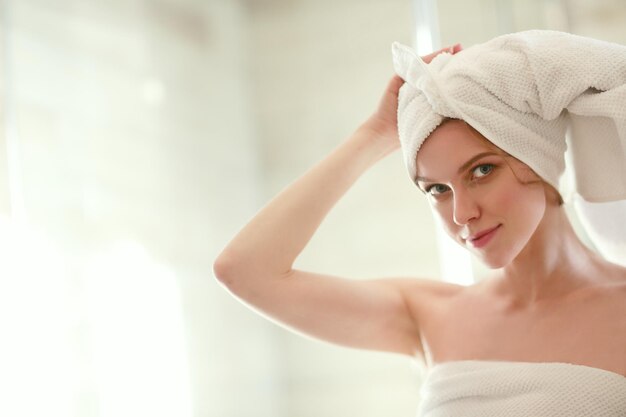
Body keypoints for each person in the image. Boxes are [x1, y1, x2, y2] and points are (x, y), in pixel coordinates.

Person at [213, 30, 626, 416]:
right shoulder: (428, 316)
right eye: (437, 190)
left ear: (538, 155)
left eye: (481, 171)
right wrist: (373, 134)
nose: (461, 214)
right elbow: (244, 271)